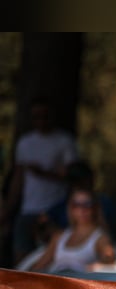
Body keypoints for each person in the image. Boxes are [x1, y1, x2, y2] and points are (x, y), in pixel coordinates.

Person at [1, 98, 79, 265]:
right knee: (21, 260)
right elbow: (18, 178)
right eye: (37, 116)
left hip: (55, 209)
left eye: (45, 116)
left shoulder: (64, 141)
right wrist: (8, 209)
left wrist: (44, 173)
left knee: (51, 260)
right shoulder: (25, 143)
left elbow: (73, 175)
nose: (41, 121)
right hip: (28, 209)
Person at [26, 186, 116, 273]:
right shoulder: (60, 236)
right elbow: (39, 265)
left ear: (95, 207)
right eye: (76, 205)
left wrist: (99, 265)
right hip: (55, 284)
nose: (82, 209)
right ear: (70, 208)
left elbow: (109, 259)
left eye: (87, 204)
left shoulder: (100, 238)